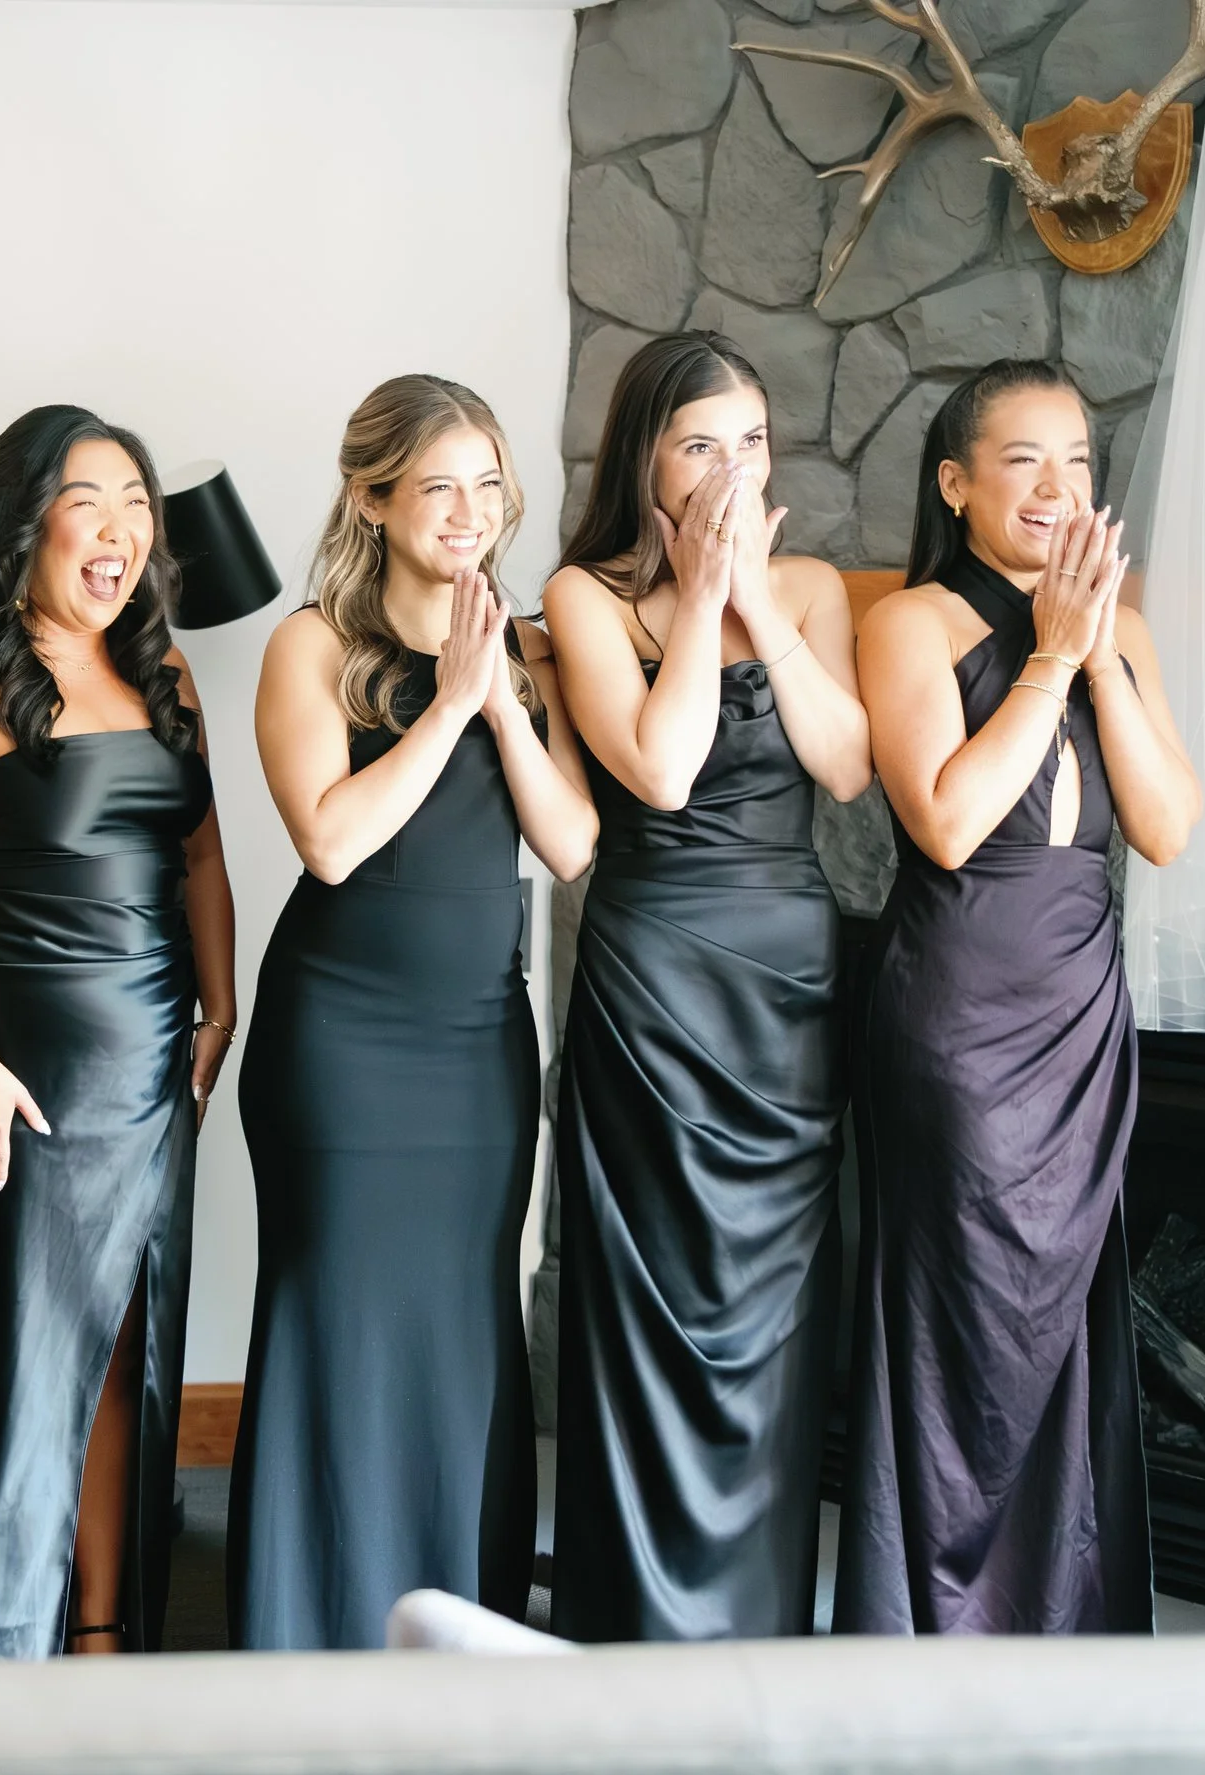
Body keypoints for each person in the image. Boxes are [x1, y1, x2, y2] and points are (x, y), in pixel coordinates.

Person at [0, 405, 236, 1657]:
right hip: (23, 1066)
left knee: (127, 1339)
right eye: (91, 498)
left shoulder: (162, 674)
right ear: (30, 519)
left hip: (152, 1065)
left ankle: (104, 1628)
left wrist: (219, 998)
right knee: (27, 1351)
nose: (121, 527)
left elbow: (200, 853)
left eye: (137, 500)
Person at [227, 375, 595, 1651]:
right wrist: (444, 702)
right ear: (371, 498)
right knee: (336, 1318)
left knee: (460, 1327)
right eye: (437, 484)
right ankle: (308, 1627)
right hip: (341, 1042)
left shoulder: (532, 649)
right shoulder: (310, 648)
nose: (469, 511)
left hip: (477, 1043)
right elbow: (328, 842)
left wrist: (496, 693)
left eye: (488, 484)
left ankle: (456, 1620)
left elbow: (570, 844)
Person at [839, 358, 1199, 1635]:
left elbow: (1163, 827)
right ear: (957, 483)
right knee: (964, 1320)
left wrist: (1099, 656)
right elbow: (942, 822)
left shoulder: (1124, 628)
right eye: (1024, 462)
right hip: (955, 1017)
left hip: (1078, 1016)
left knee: (1063, 1322)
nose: (1058, 489)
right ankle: (941, 1616)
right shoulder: (911, 622)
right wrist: (1046, 659)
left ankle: (1058, 1615)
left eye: (1078, 464)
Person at [543, 332, 873, 1642]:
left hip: (786, 988)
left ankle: (754, 1623)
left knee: (772, 1325)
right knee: (651, 1314)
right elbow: (664, 769)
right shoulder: (586, 597)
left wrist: (757, 607)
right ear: (645, 459)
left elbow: (848, 769)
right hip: (655, 985)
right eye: (701, 443)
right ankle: (635, 1629)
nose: (734, 467)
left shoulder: (813, 586)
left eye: (751, 440)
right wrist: (697, 601)